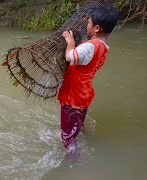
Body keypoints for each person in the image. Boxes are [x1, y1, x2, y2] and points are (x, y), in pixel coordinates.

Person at [58, 6, 119, 155]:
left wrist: (70, 43)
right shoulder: (103, 46)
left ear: (97, 28)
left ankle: (74, 159)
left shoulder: (90, 46)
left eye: (89, 23)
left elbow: (70, 57)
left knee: (67, 135)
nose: (87, 25)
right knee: (78, 121)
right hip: (84, 92)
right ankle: (79, 130)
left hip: (74, 94)